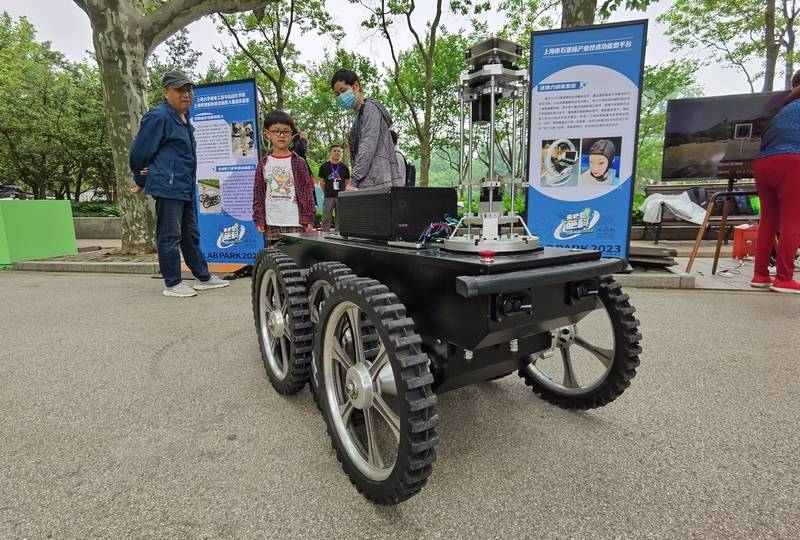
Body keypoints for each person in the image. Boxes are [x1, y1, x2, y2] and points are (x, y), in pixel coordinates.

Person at [129, 70, 229, 298]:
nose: (187, 94)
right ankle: (172, 283)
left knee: (190, 235)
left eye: (189, 89)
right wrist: (140, 179)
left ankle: (203, 277)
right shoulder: (159, 117)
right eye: (180, 90)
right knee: (170, 235)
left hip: (185, 187)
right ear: (166, 92)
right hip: (168, 186)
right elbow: (139, 153)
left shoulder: (185, 119)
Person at [751, 71, 800, 292]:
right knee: (793, 221)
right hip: (792, 161)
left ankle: (760, 275)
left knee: (768, 221)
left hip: (763, 163)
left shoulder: (782, 108)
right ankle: (784, 279)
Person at [330, 68, 402, 188]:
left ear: (355, 86)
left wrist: (353, 180)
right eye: (337, 94)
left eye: (343, 91)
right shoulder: (358, 117)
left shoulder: (370, 108)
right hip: (368, 183)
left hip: (378, 182)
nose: (341, 97)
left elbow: (367, 146)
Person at [252, 110, 316, 245]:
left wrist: (309, 219)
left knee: (296, 255)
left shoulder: (299, 162)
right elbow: (258, 193)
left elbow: (307, 192)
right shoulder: (263, 164)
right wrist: (259, 218)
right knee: (275, 255)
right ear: (267, 134)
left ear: (291, 134)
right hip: (272, 222)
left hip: (296, 222)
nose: (281, 135)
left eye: (286, 131)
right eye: (276, 131)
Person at [317, 144, 351, 231]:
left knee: (340, 220)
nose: (337, 153)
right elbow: (321, 182)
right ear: (330, 153)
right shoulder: (324, 166)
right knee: (326, 219)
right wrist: (326, 192)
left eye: (339, 151)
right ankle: (324, 236)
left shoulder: (345, 167)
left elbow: (347, 183)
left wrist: (344, 193)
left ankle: (339, 236)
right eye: (335, 151)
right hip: (328, 196)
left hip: (341, 197)